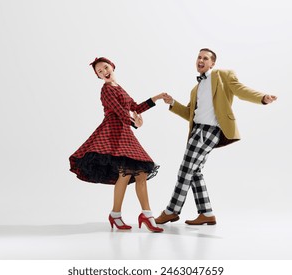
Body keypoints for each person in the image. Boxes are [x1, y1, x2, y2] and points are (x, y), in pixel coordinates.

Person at [155, 48, 277, 225]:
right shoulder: (196, 88)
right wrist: (173, 103)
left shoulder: (221, 75)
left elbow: (240, 89)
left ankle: (172, 210)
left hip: (209, 130)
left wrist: (262, 97)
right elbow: (190, 113)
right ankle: (207, 213)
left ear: (213, 63)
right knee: (194, 171)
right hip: (197, 130)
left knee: (185, 170)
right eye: (199, 57)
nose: (201, 60)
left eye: (205, 58)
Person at [69, 57, 165, 233]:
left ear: (112, 67)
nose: (104, 72)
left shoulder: (119, 88)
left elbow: (134, 106)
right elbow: (120, 111)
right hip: (113, 132)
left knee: (138, 173)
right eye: (100, 71)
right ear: (98, 76)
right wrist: (135, 123)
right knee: (127, 173)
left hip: (124, 132)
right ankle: (126, 215)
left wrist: (156, 98)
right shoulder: (105, 90)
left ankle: (138, 214)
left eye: (106, 67)